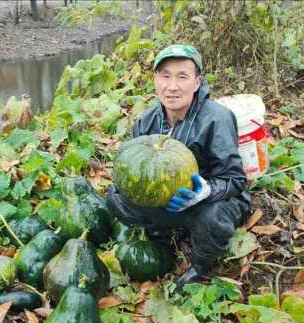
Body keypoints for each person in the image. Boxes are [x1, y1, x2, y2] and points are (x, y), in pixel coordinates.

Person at [107, 44, 251, 289]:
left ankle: (202, 265)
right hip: (168, 199)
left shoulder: (216, 119)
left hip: (212, 197)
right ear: (156, 80)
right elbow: (134, 168)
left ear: (196, 82)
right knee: (115, 198)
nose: (172, 86)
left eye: (182, 76)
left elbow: (236, 181)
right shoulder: (147, 120)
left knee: (211, 218)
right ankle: (163, 235)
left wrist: (205, 192)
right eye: (165, 76)